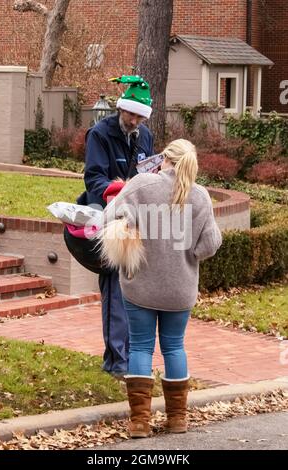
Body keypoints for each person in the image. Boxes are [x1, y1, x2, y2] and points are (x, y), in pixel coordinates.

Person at [100, 139, 222, 437]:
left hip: (140, 284)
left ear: (163, 159)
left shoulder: (141, 185)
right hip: (180, 288)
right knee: (174, 346)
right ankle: (177, 419)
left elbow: (108, 218)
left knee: (141, 346)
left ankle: (139, 422)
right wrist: (187, 253)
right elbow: (210, 244)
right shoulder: (200, 196)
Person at [76, 75, 154, 378]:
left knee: (135, 287)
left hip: (137, 217)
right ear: (121, 109)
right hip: (109, 216)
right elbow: (93, 179)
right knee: (115, 286)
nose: (133, 120)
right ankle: (116, 360)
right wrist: (122, 191)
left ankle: (133, 356)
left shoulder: (144, 136)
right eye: (130, 113)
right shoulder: (99, 133)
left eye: (139, 116)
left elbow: (149, 172)